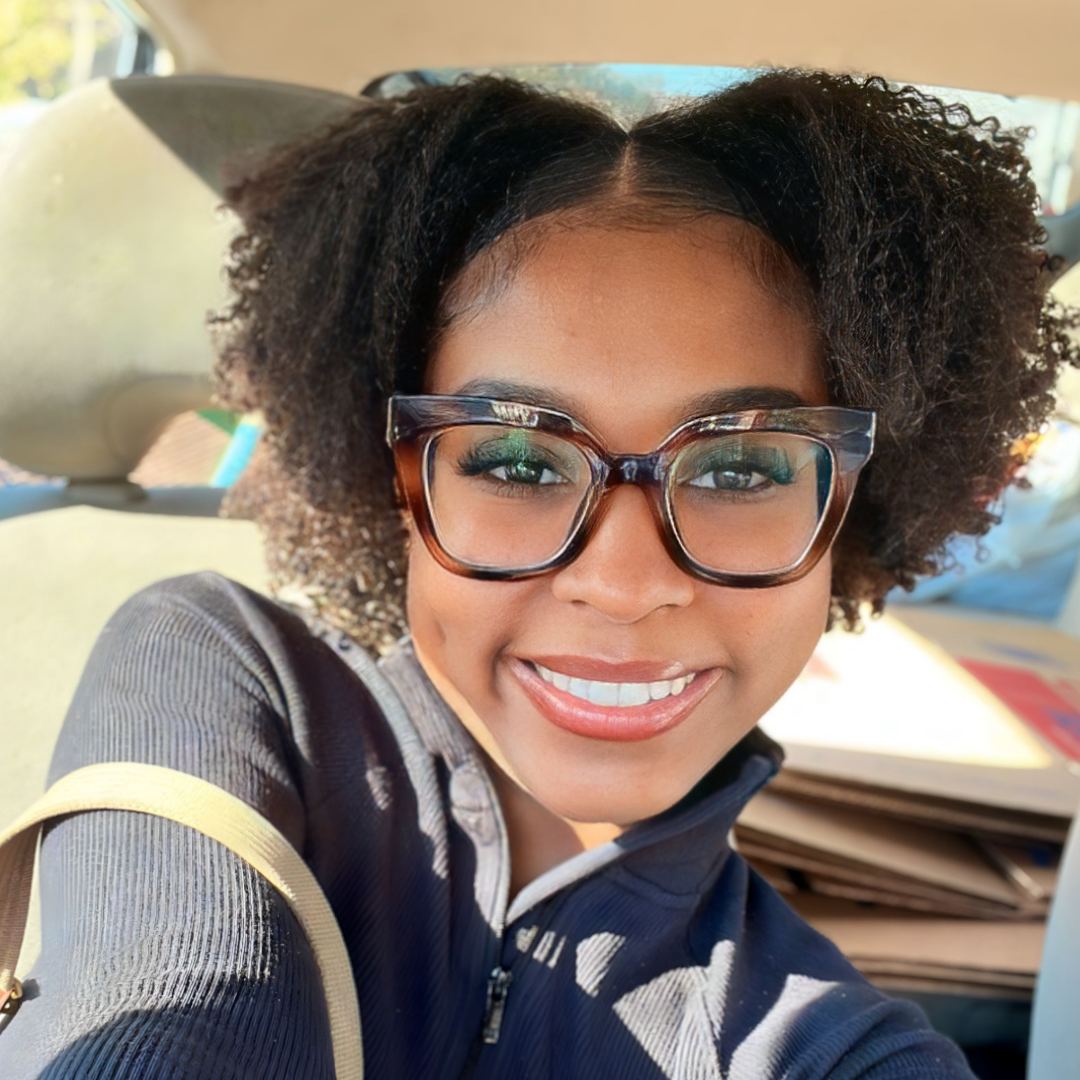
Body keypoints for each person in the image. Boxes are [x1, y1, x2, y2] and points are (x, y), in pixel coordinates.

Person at [3, 69, 1076, 1079]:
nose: (622, 581)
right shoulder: (215, 669)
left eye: (743, 466)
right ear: (398, 483)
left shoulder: (827, 1045)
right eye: (515, 461)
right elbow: (179, 1000)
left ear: (853, 508)